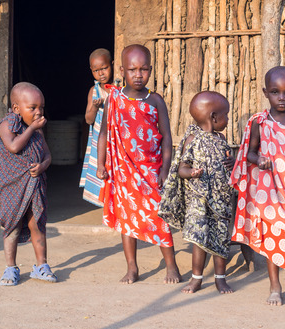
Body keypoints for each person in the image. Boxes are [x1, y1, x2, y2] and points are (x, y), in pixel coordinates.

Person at [230, 66, 285, 307]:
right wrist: (260, 160)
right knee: (273, 237)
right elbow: (249, 153)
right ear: (265, 92)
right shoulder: (260, 122)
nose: (282, 97)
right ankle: (275, 287)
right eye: (276, 92)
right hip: (269, 194)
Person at [97, 44, 181, 284]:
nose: (138, 74)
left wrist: (165, 169)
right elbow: (103, 133)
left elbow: (166, 137)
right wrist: (101, 164)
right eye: (132, 69)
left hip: (150, 170)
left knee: (159, 217)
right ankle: (132, 268)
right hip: (122, 171)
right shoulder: (113, 99)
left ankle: (171, 266)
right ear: (122, 70)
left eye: (144, 69)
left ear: (151, 70)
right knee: (127, 219)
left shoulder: (155, 101)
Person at [158, 91, 236, 294]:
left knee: (221, 240)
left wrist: (233, 162)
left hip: (221, 201)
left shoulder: (221, 139)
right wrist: (191, 173)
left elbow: (228, 166)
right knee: (199, 241)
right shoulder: (193, 139)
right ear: (213, 117)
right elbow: (181, 168)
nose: (228, 119)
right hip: (198, 202)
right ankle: (197, 278)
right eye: (226, 115)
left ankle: (220, 278)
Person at [0, 82, 56, 286]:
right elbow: (13, 146)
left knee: (36, 223)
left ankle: (41, 266)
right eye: (33, 108)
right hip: (12, 188)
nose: (39, 112)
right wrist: (31, 128)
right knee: (12, 226)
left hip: (34, 186)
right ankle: (11, 268)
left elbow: (47, 155)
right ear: (16, 109)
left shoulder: (37, 130)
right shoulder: (6, 126)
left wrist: (42, 167)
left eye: (41, 107)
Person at [79, 48, 113, 206]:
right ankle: (105, 204)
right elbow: (88, 119)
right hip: (100, 140)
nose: (101, 74)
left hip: (115, 139)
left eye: (104, 68)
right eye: (96, 71)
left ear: (112, 65)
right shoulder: (94, 91)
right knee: (102, 171)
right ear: (91, 71)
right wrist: (94, 106)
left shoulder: (119, 87)